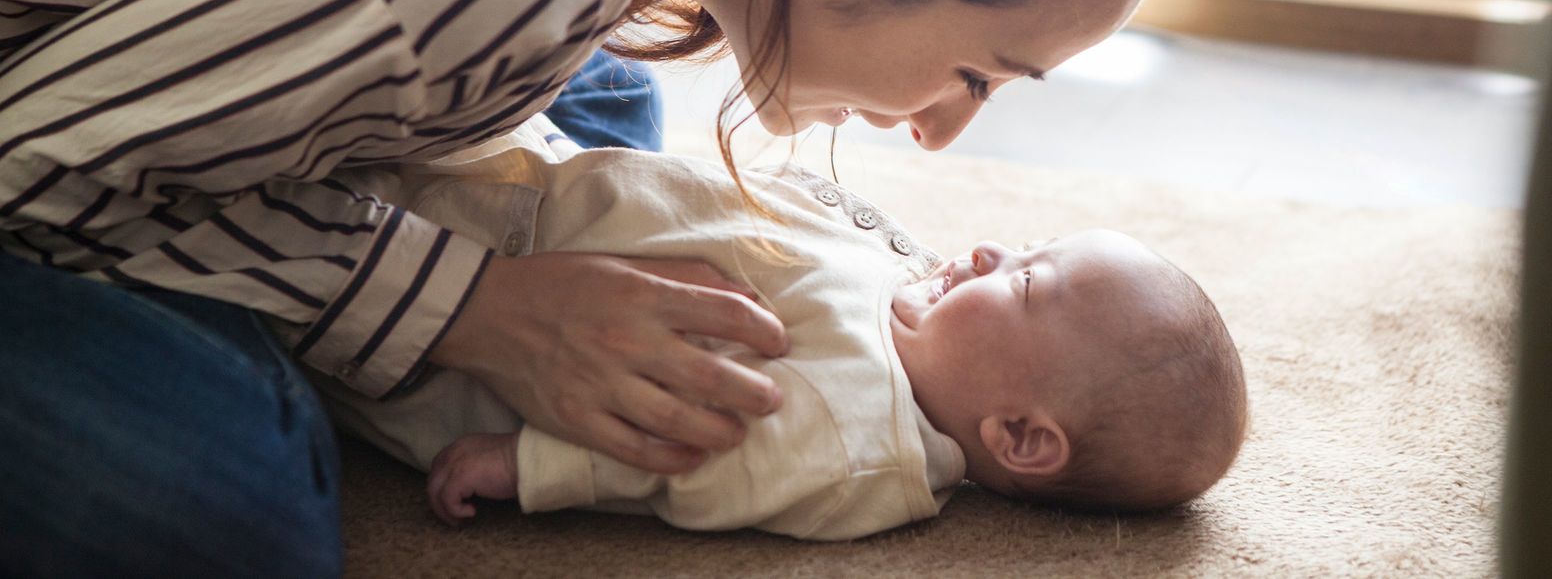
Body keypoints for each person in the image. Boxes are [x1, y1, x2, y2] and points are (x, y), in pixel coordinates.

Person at [0, 0, 1212, 571]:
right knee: (231, 515)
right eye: (975, 72)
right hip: (39, 112)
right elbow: (34, 158)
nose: (941, 135)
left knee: (612, 102)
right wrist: (471, 309)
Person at [312, 118, 1247, 539]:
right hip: (541, 178)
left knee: (309, 220)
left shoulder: (857, 441)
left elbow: (701, 458)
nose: (995, 249)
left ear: (1019, 436)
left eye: (1029, 283)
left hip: (469, 299)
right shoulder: (921, 311)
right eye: (1030, 245)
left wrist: (528, 467)